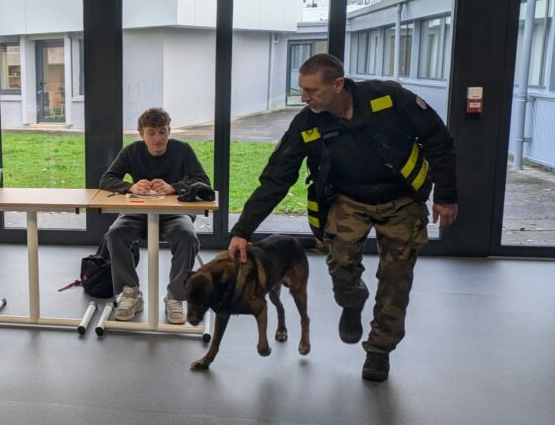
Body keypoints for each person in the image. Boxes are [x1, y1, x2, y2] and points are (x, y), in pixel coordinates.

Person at [228, 53, 458, 382]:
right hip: (348, 199)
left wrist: (447, 196)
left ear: (338, 85)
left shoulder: (388, 99)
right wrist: (243, 230)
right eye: (301, 90)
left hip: (401, 198)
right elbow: (276, 179)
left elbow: (439, 140)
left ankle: (379, 349)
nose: (304, 98)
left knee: (396, 277)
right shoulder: (307, 123)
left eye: (311, 91)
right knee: (340, 265)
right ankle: (352, 301)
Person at [99, 107, 210, 324]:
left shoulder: (183, 150)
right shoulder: (132, 151)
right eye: (151, 133)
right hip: (138, 212)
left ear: (169, 131)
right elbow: (107, 179)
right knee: (115, 234)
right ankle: (130, 293)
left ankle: (176, 297)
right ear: (142, 134)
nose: (158, 139)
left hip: (174, 214)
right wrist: (130, 186)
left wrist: (174, 187)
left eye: (162, 132)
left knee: (187, 237)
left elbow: (203, 181)